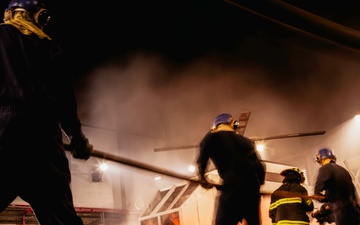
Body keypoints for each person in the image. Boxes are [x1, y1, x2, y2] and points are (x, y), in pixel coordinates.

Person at [0, 0, 94, 224]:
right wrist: (77, 139)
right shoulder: (48, 46)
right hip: (43, 142)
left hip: (3, 136)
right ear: (38, 17)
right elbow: (65, 102)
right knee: (61, 218)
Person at [196, 113, 266, 225]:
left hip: (232, 190)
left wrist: (202, 177)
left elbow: (202, 157)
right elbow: (260, 168)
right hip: (252, 191)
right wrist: (259, 184)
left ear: (216, 126)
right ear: (233, 124)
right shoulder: (247, 141)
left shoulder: (213, 137)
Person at [313, 147, 360, 225]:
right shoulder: (344, 170)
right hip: (354, 211)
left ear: (320, 159)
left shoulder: (325, 168)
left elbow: (318, 190)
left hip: (341, 212)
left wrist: (319, 197)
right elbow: (354, 192)